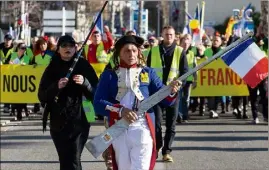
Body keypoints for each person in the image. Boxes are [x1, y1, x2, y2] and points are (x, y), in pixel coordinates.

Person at [94, 35, 182, 170]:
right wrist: (120, 111)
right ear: (119, 54)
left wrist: (171, 90)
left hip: (143, 129)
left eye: (134, 51)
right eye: (127, 51)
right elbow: (98, 103)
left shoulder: (149, 72)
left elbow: (166, 100)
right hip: (118, 130)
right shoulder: (109, 75)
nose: (131, 54)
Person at [38, 35, 98, 170]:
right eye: (64, 46)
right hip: (58, 121)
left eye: (71, 45)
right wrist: (56, 86)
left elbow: (97, 92)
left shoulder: (83, 64)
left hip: (80, 119)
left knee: (74, 158)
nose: (67, 48)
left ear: (76, 48)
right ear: (58, 49)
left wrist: (85, 83)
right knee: (65, 159)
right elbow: (42, 95)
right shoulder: (52, 66)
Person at [146, 26, 188, 162]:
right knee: (156, 123)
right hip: (156, 93)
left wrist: (179, 85)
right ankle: (157, 147)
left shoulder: (180, 51)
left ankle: (167, 151)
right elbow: (146, 71)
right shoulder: (153, 51)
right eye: (166, 34)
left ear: (175, 36)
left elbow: (185, 72)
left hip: (172, 93)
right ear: (162, 35)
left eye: (171, 34)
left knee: (171, 124)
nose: (169, 37)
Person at [178, 34, 197, 123]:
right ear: (180, 43)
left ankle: (185, 116)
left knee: (186, 99)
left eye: (187, 44)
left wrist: (195, 79)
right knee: (178, 98)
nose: (185, 45)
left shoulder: (192, 54)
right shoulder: (176, 52)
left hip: (188, 80)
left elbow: (195, 67)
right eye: (184, 43)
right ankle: (179, 115)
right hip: (178, 79)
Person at [9, 42, 31, 120]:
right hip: (14, 79)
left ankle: (20, 112)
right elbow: (10, 64)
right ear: (18, 48)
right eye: (22, 48)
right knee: (15, 96)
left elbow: (26, 66)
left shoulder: (26, 57)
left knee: (22, 97)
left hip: (23, 79)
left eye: (25, 48)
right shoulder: (14, 55)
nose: (23, 50)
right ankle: (17, 110)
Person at [0, 34, 14, 113]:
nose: (8, 41)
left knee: (8, 89)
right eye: (7, 39)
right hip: (1, 71)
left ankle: (8, 106)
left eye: (9, 40)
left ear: (11, 41)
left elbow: (19, 58)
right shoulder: (0, 47)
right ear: (4, 40)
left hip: (10, 72)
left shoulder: (14, 49)